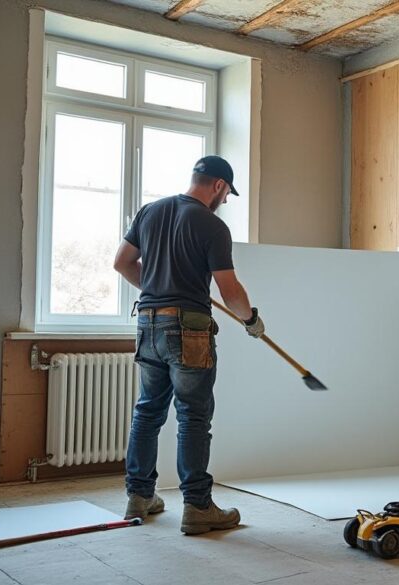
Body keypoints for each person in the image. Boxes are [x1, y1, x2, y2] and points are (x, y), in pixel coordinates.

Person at [113, 155, 264, 535]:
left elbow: (122, 262)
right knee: (193, 417)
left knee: (147, 412)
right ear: (218, 185)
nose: (225, 202)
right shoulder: (212, 225)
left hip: (147, 323)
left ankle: (139, 496)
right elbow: (230, 291)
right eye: (227, 194)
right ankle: (197, 507)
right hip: (190, 329)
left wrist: (157, 289)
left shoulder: (150, 211)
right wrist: (251, 320)